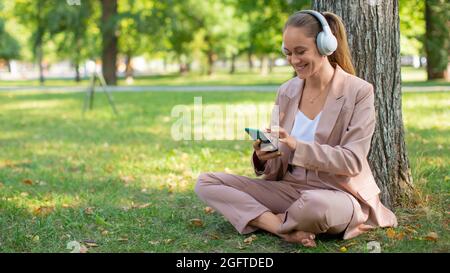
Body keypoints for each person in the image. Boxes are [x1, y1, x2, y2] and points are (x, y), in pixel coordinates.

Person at [195, 10, 397, 247]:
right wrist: (263, 156)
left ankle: (272, 219)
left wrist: (295, 145)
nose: (294, 60)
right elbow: (275, 164)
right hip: (289, 189)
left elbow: (352, 161)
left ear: (325, 46)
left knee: (314, 206)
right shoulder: (286, 91)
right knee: (206, 182)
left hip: (337, 195)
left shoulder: (359, 91)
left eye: (301, 52)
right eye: (288, 53)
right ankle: (281, 227)